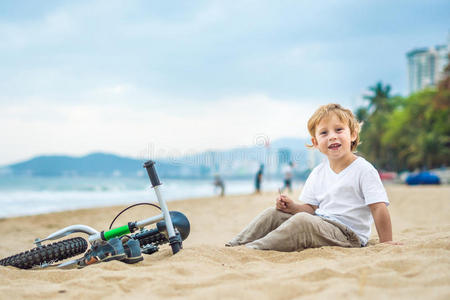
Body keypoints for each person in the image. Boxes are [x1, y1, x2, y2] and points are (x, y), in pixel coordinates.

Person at [227, 103, 399, 251]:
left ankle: (255, 248)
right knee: (274, 213)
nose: (332, 136)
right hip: (320, 222)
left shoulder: (363, 170)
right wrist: (292, 206)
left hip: (349, 235)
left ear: (353, 134)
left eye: (339, 130)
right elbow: (311, 209)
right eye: (324, 133)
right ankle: (235, 245)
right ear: (316, 143)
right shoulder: (318, 172)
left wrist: (386, 242)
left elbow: (378, 208)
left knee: (302, 222)